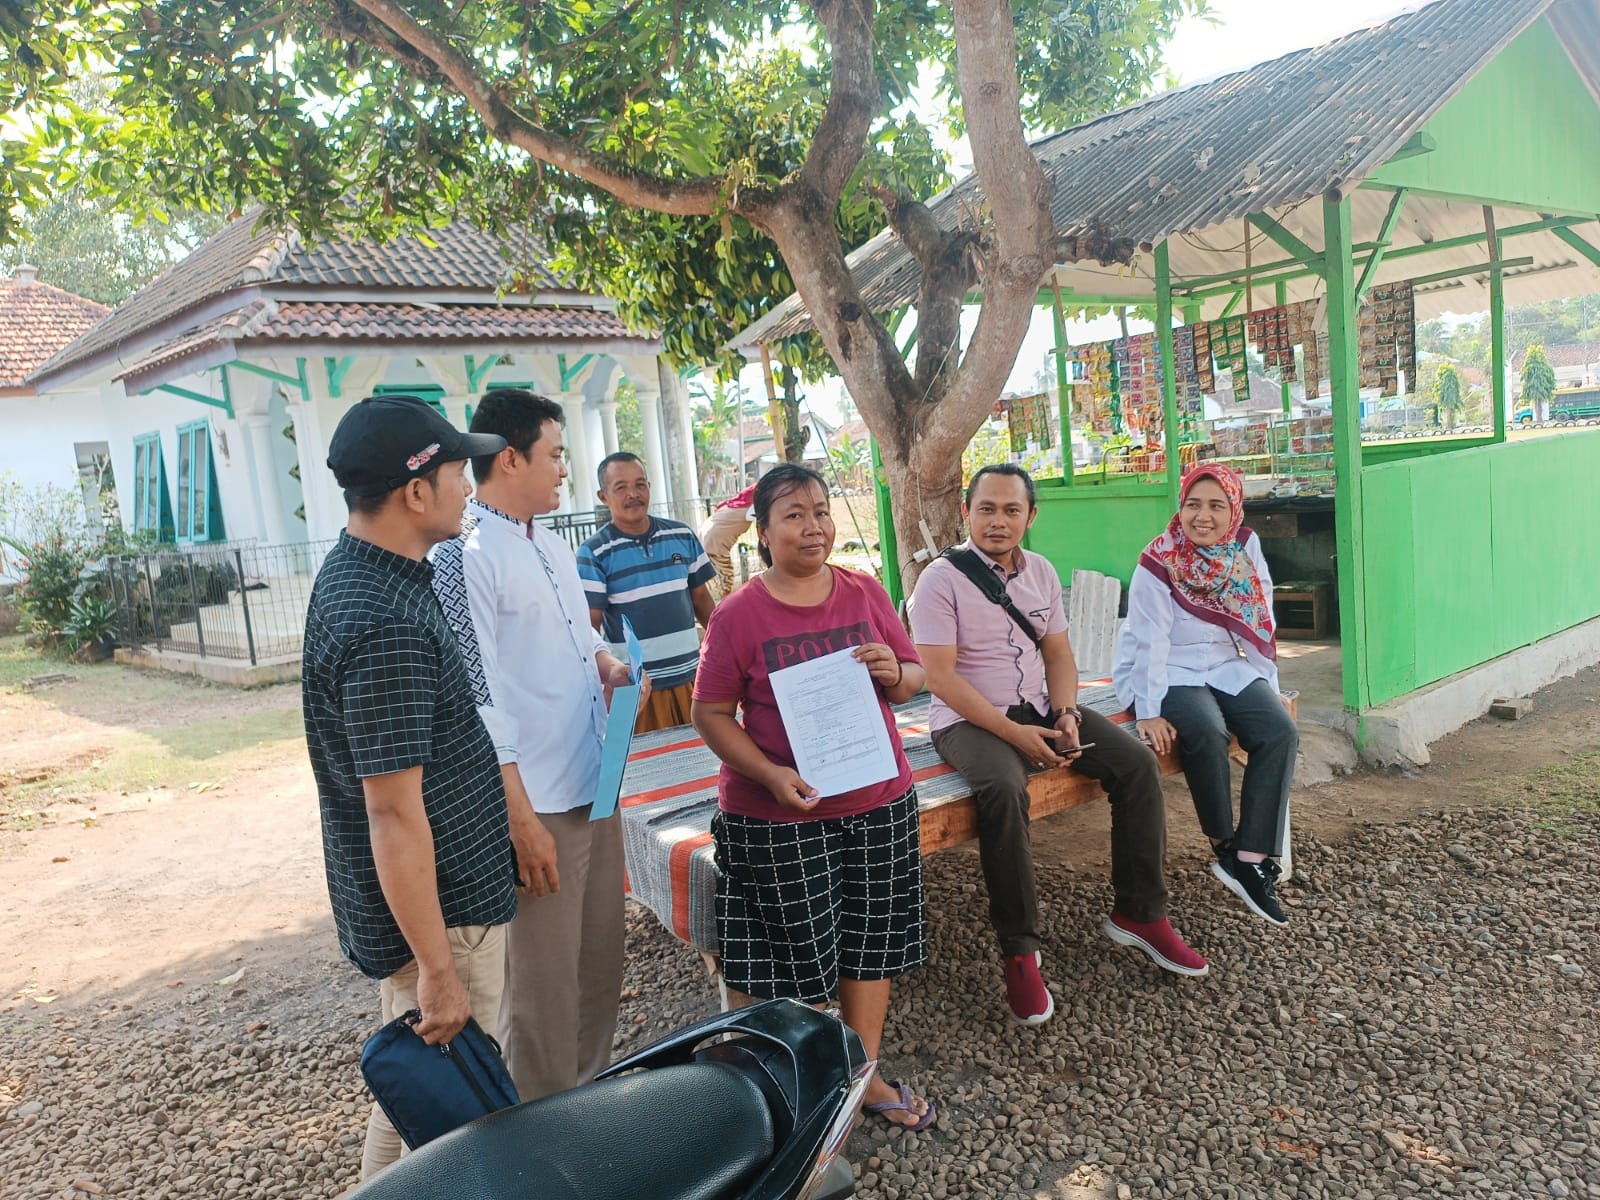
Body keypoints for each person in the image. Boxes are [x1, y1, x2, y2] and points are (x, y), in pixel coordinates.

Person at [907, 463, 1208, 1027]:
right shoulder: (940, 580)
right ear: (966, 512)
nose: (999, 520)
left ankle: (1140, 913)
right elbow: (940, 677)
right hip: (967, 720)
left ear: (1030, 516)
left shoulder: (1041, 572)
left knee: (1137, 764)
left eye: (1012, 509)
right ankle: (1020, 950)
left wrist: (1067, 715)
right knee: (1002, 786)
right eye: (987, 508)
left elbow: (1060, 656)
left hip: (1041, 707)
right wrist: (1014, 734)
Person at [301, 393, 517, 1179]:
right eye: (461, 472)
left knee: (418, 1100)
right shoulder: (383, 619)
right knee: (441, 1113)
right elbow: (391, 811)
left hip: (442, 904)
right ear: (415, 491)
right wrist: (436, 969)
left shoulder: (376, 572)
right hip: (445, 917)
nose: (471, 486)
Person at [690, 463, 936, 1131]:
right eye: (794, 514)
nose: (815, 526)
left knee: (870, 946)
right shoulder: (739, 615)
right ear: (764, 533)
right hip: (777, 816)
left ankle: (862, 1074)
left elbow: (913, 673)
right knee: (794, 959)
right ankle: (801, 1088)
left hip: (878, 800)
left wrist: (896, 673)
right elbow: (709, 713)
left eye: (822, 511)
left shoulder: (864, 592)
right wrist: (770, 773)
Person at [429, 388, 646, 1102]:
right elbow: (478, 696)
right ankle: (544, 1133)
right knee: (542, 986)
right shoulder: (468, 558)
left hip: (593, 779)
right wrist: (517, 818)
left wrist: (611, 665)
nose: (563, 469)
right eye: (554, 454)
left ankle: (586, 1103)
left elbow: (581, 639)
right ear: (510, 456)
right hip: (539, 802)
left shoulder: (552, 545)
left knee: (597, 965)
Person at [1112, 462, 1298, 926]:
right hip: (1169, 668)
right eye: (1193, 504)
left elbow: (1261, 618)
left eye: (1216, 505)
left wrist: (1269, 688)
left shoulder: (1244, 547)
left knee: (1279, 731)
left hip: (1227, 662)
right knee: (1207, 731)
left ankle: (1250, 860)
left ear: (1233, 509)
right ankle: (1224, 845)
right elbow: (1150, 640)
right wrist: (1149, 710)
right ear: (1180, 507)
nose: (1203, 516)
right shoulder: (1159, 559)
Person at [578, 452, 717, 733]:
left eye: (640, 484)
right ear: (603, 496)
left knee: (704, 767)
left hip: (693, 681)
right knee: (651, 771)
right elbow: (589, 628)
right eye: (621, 487)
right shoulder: (593, 553)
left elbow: (702, 600)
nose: (633, 494)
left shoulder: (681, 535)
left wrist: (726, 654)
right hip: (638, 692)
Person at [699, 483, 756, 599]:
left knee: (714, 581)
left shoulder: (736, 503)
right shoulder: (752, 507)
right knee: (725, 582)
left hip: (705, 536)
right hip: (715, 543)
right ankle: (719, 611)